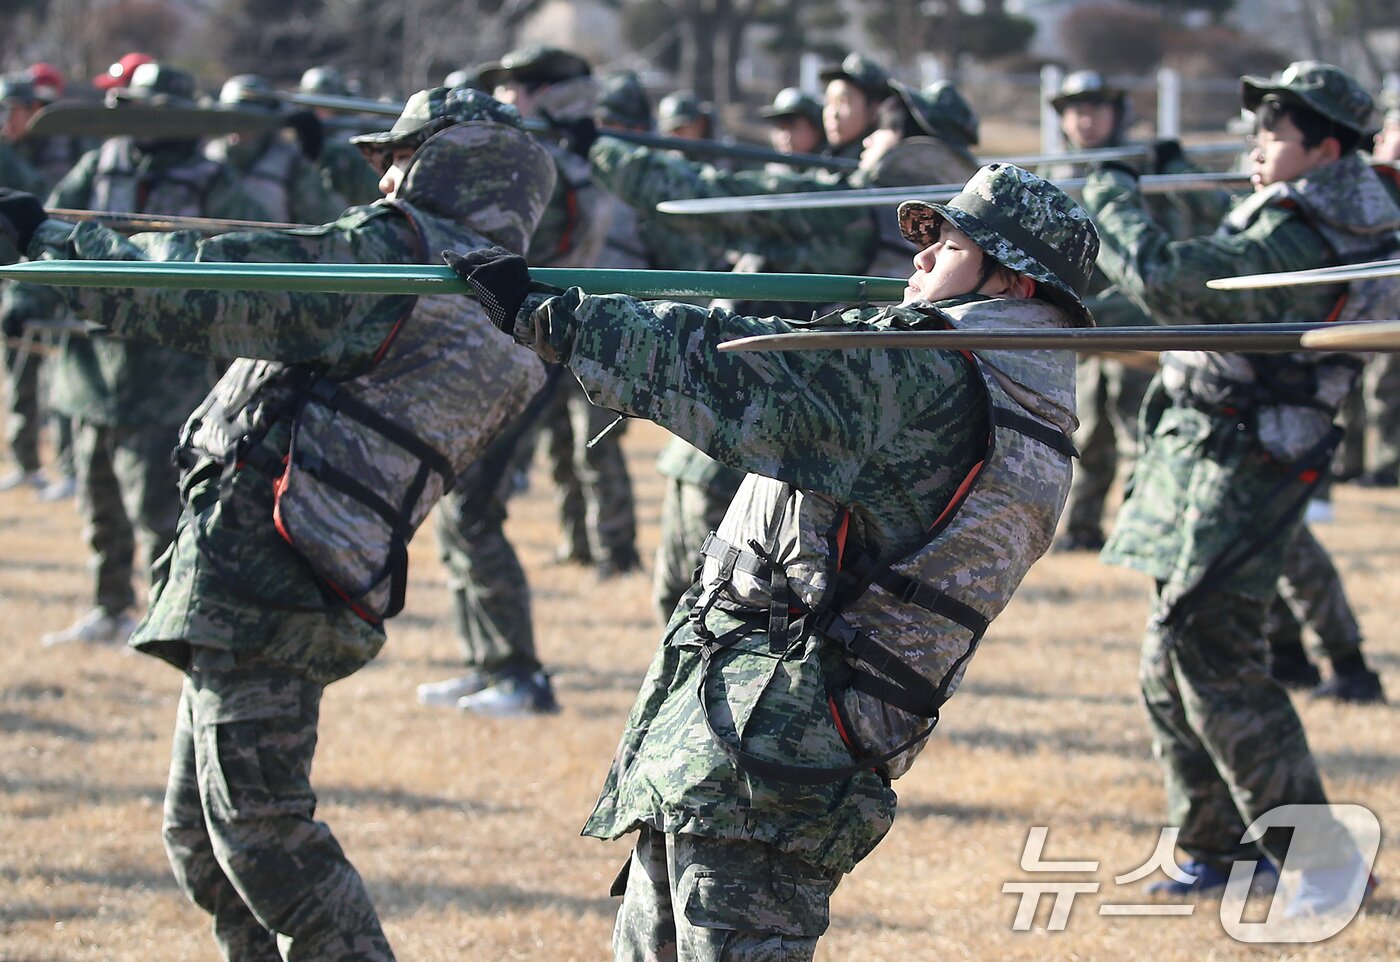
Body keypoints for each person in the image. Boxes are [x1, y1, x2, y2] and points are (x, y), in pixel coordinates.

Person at [446, 160, 1094, 960]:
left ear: (1017, 284)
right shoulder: (1017, 395)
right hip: (769, 729)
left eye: (951, 244)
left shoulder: (936, 374)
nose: (920, 259)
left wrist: (555, 315)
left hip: (774, 746)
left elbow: (742, 376)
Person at [0, 85, 556, 961]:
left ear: (447, 162)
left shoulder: (399, 263)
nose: (381, 182)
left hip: (272, 576)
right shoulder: (500, 300)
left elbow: (212, 287)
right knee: (207, 843)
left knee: (262, 837)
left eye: (398, 159)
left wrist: (48, 244)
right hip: (298, 574)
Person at [1080, 60, 1397, 907]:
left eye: (1274, 135)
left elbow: (1172, 283)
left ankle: (1324, 863)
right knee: (1167, 655)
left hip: (1251, 455)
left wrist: (1112, 193)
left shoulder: (1313, 226)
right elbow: (1203, 271)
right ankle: (1218, 848)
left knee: (1212, 651)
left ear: (1325, 149)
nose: (1256, 147)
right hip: (1206, 444)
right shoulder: (1305, 205)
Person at [26, 63, 267, 649]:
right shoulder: (99, 164)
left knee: (160, 506)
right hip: (87, 365)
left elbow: (243, 251)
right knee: (96, 499)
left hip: (164, 370)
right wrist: (24, 295)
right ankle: (109, 606)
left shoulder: (213, 181)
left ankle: (169, 612)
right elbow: (47, 228)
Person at [1047, 70, 1226, 552]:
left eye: (1095, 108)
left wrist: (1176, 168)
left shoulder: (1143, 168)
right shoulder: (1058, 179)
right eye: (1073, 109)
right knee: (1086, 431)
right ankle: (1083, 528)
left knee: (1136, 432)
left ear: (1117, 113)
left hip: (1139, 321)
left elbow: (1194, 226)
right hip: (1085, 322)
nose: (1084, 119)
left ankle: (1138, 529)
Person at [482, 44, 640, 576]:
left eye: (512, 88)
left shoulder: (563, 161)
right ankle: (578, 543)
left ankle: (616, 551)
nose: (503, 98)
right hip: (546, 322)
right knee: (559, 447)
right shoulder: (547, 153)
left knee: (592, 446)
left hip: (588, 322)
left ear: (541, 94)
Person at [206, 74, 344, 224]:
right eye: (231, 118)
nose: (239, 128)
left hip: (271, 244)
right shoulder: (209, 158)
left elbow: (327, 217)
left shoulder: (289, 162)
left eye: (249, 120)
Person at [298, 65, 384, 206]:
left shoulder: (352, 138)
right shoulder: (298, 135)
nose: (321, 112)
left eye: (327, 106)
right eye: (315, 105)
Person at [818, 52, 891, 160]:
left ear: (875, 110)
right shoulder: (824, 159)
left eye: (843, 102)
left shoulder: (886, 162)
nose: (833, 114)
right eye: (828, 102)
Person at [760, 87, 827, 160]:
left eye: (792, 127)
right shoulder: (775, 168)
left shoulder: (830, 163)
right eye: (781, 128)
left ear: (816, 130)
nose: (785, 136)